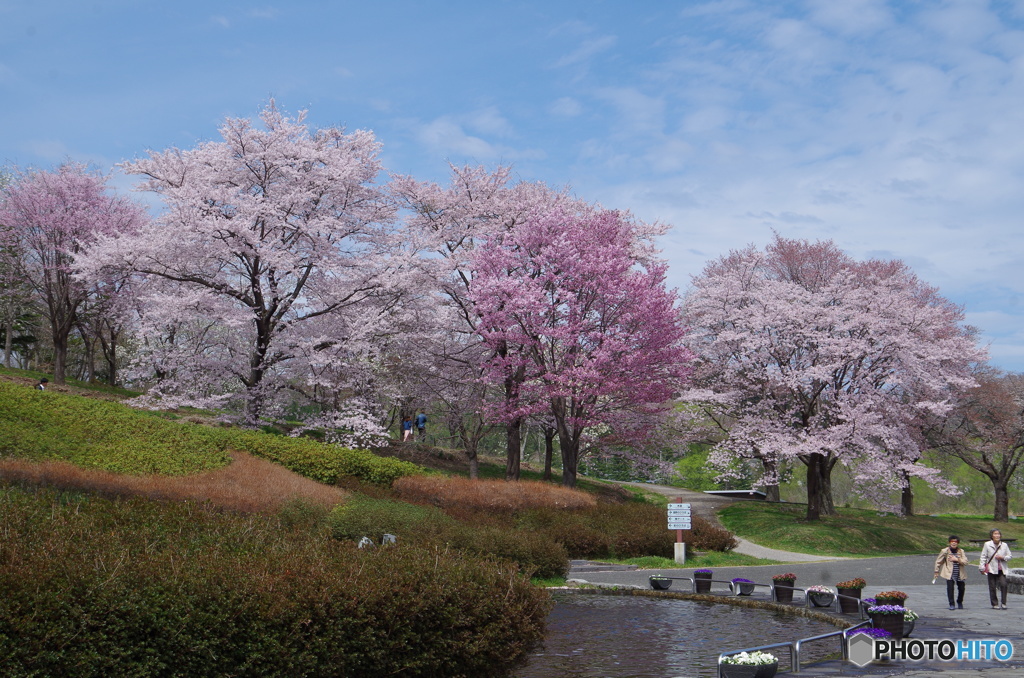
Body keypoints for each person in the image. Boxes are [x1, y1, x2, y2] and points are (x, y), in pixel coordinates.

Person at [978, 528, 1013, 609]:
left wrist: (1003, 557)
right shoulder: (987, 544)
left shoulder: (1004, 545)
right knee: (992, 586)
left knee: (1004, 585)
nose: (997, 535)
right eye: (995, 534)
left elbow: (1010, 556)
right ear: (992, 536)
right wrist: (982, 567)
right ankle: (994, 604)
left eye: (998, 534)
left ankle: (1004, 603)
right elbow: (983, 556)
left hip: (1001, 569)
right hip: (991, 568)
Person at [934, 535, 968, 610]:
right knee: (950, 588)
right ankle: (951, 603)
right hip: (949, 573)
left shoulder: (961, 551)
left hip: (960, 573)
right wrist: (936, 571)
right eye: (952, 541)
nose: (954, 543)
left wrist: (957, 559)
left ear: (958, 543)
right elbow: (938, 561)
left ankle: (959, 601)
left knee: (961, 588)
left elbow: (965, 562)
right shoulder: (945, 551)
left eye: (955, 542)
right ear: (949, 542)